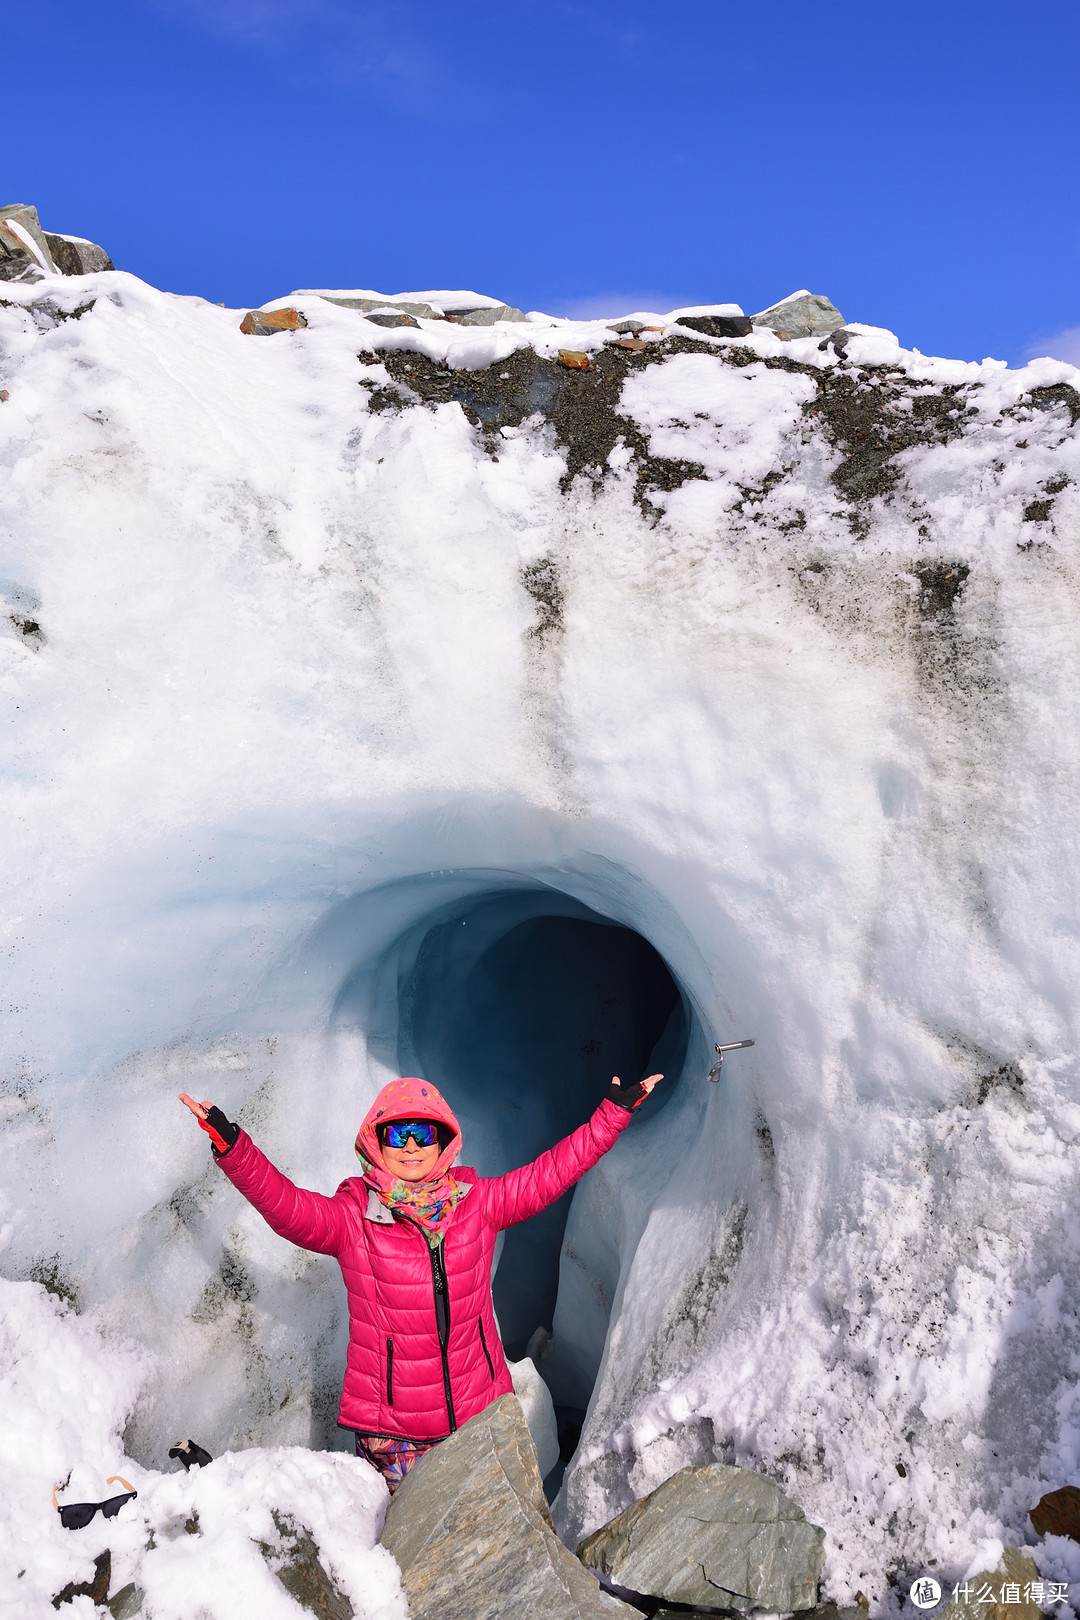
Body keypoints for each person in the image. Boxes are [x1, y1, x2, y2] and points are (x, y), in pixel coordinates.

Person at [179, 1068, 660, 1493]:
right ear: (376, 1141)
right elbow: (289, 1209)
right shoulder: (354, 1217)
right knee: (410, 1569)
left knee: (485, 1556)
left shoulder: (479, 1203)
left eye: (423, 1132)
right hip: (394, 1435)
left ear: (443, 1140)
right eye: (397, 1132)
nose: (410, 1145)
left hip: (477, 1416)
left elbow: (548, 1176)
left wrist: (609, 1118)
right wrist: (233, 1147)